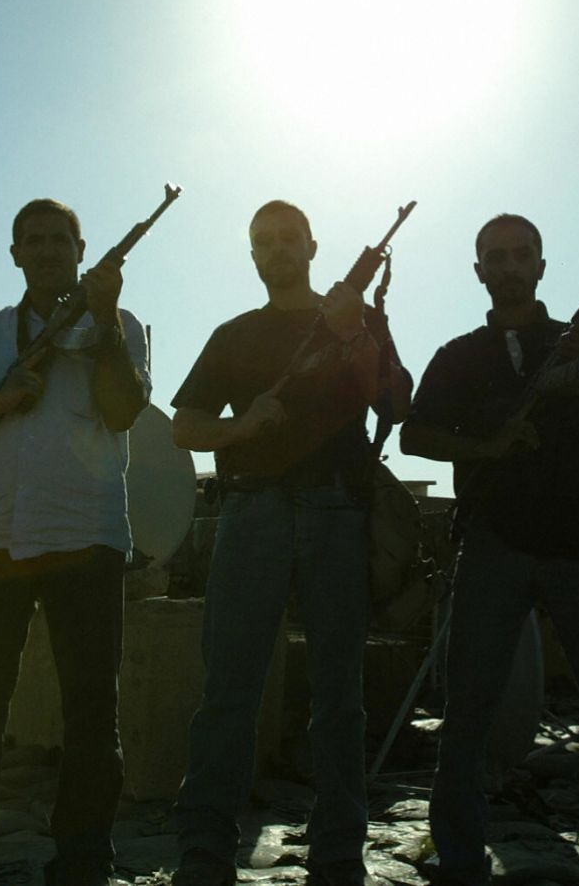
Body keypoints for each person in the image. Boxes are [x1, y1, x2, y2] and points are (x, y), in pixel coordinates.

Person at [401, 213, 579, 885]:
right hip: (492, 544)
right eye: (497, 256)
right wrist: (488, 446)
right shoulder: (458, 355)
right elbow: (416, 437)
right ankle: (460, 860)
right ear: (479, 271)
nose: (510, 266)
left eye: (522, 255)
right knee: (466, 719)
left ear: (541, 266)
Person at [0, 198, 149, 886]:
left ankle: (82, 853)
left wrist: (102, 321)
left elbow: (125, 408)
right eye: (33, 240)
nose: (47, 251)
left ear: (81, 249)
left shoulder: (120, 324)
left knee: (92, 709)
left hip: (88, 538)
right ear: (14, 254)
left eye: (59, 240)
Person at [167, 200, 411, 886]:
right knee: (229, 691)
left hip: (337, 511)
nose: (276, 250)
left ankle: (338, 853)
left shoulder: (356, 319)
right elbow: (185, 425)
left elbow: (398, 403)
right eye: (263, 242)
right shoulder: (234, 334)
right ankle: (206, 851)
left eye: (287, 239)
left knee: (340, 694)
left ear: (311, 246)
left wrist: (355, 335)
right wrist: (241, 428)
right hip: (252, 512)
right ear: (253, 256)